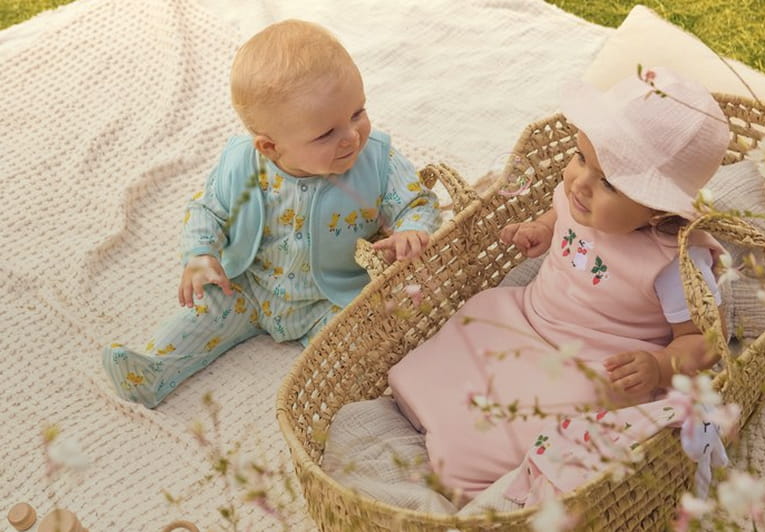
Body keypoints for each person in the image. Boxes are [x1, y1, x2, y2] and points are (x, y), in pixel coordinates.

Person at [387, 67, 730, 499]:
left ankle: (470, 457)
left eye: (609, 182)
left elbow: (706, 339)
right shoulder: (579, 199)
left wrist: (659, 366)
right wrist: (542, 229)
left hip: (593, 359)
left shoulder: (673, 262)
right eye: (581, 157)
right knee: (482, 310)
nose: (579, 184)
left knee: (565, 404)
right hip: (532, 314)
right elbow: (558, 215)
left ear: (659, 210)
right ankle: (432, 401)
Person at [102, 20, 441, 408]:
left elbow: (417, 202)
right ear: (270, 147)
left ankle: (339, 401)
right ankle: (153, 371)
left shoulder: (377, 160)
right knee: (202, 314)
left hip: (332, 297)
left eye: (357, 112)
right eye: (325, 134)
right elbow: (207, 209)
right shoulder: (243, 166)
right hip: (250, 284)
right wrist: (200, 255)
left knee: (359, 345)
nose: (351, 136)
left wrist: (411, 230)